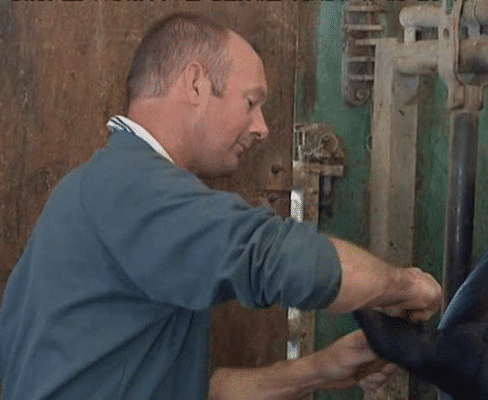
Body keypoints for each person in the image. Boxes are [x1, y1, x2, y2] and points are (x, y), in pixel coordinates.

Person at [0, 13, 441, 400]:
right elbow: (274, 257)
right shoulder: (131, 188)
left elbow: (195, 389)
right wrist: (402, 285)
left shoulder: (105, 187)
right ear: (196, 83)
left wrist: (320, 369)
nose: (263, 128)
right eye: (251, 102)